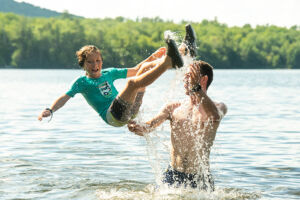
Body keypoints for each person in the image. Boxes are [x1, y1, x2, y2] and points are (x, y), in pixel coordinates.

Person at [37, 36, 184, 127]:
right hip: (113, 116)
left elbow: (137, 68)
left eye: (98, 61)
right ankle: (168, 63)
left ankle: (182, 52)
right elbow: (64, 97)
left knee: (143, 69)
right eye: (90, 62)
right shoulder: (81, 82)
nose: (95, 65)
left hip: (131, 111)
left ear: (101, 61)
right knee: (132, 84)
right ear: (83, 64)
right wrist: (50, 110)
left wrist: (152, 57)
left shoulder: (109, 73)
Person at [128, 60, 227, 191]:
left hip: (200, 177)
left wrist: (196, 88)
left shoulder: (218, 107)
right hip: (173, 175)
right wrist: (136, 126)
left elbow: (214, 116)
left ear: (204, 79)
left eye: (189, 75)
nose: (185, 79)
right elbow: (148, 127)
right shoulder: (173, 107)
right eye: (185, 76)